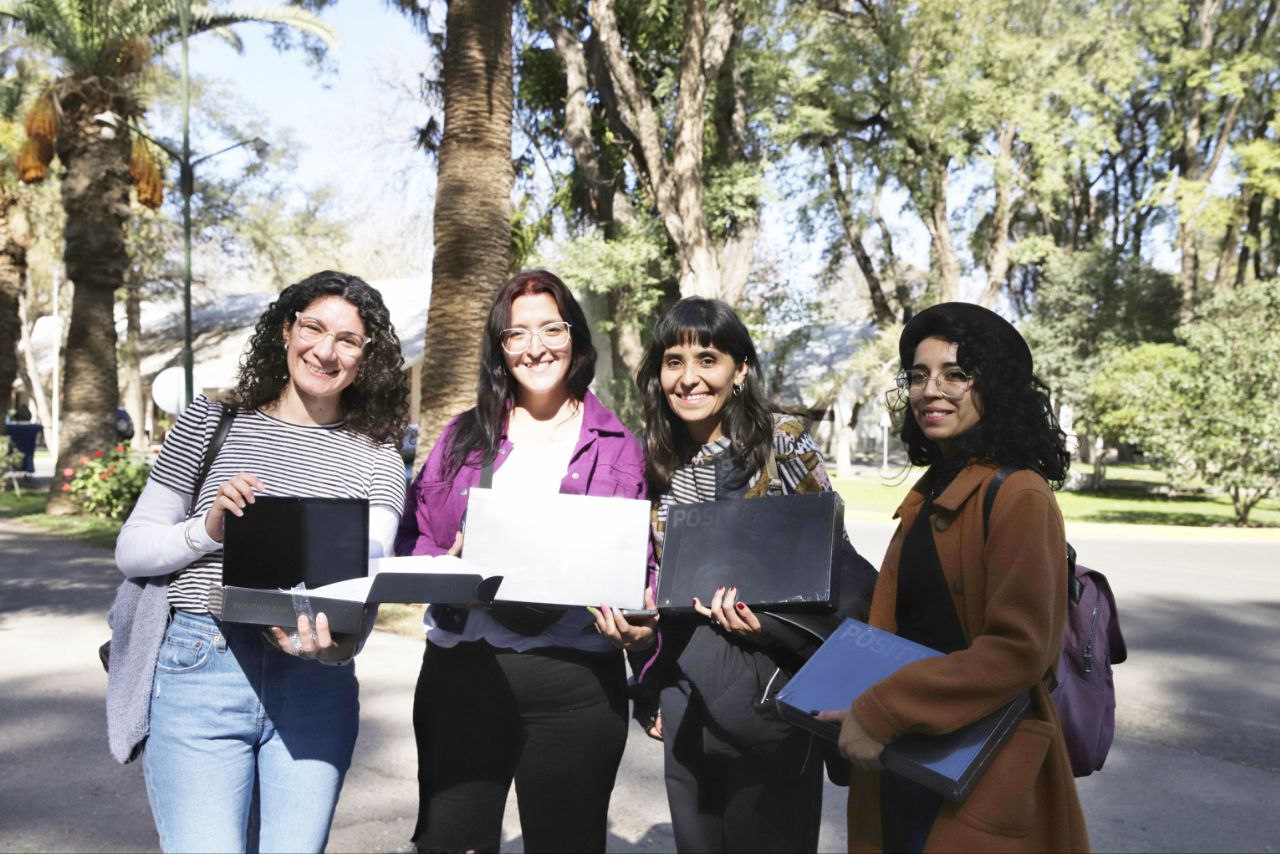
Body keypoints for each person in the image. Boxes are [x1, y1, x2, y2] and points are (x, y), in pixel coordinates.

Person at [109, 271, 410, 852]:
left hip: (316, 683)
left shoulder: (378, 455)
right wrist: (208, 529)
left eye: (348, 340)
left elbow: (367, 571)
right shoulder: (214, 419)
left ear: (367, 356)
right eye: (312, 328)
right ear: (284, 330)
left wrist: (336, 635)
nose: (325, 351)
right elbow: (133, 548)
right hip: (201, 665)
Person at [819, 302, 1089, 852]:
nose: (930, 390)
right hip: (904, 751)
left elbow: (1019, 649)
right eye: (919, 376)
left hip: (976, 763)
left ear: (997, 388)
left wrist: (884, 708)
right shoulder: (933, 489)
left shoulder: (1019, 495)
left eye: (956, 374)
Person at [396, 269, 647, 854]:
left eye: (551, 329)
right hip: (464, 675)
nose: (535, 347)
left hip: (577, 683)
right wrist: (441, 568)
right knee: (449, 844)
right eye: (517, 334)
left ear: (576, 340)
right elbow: (416, 540)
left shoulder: (617, 444)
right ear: (500, 348)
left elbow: (641, 563)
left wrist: (639, 623)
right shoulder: (462, 437)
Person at [610, 297, 842, 853]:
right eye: (673, 361)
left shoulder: (781, 441)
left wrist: (767, 623)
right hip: (685, 689)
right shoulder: (653, 457)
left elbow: (831, 565)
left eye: (707, 359)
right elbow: (650, 580)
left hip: (771, 688)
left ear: (739, 370)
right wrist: (649, 681)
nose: (688, 378)